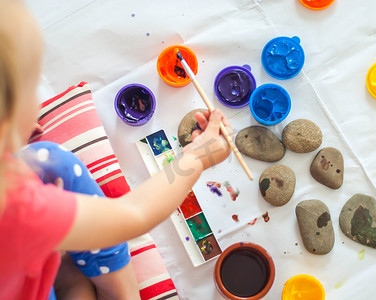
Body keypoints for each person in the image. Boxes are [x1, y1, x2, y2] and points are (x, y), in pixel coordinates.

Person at [0, 1, 232, 299]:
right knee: (73, 235)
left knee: (51, 165)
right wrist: (197, 157)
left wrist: (11, 140)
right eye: (31, 88)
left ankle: (69, 275)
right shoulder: (18, 206)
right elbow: (133, 214)